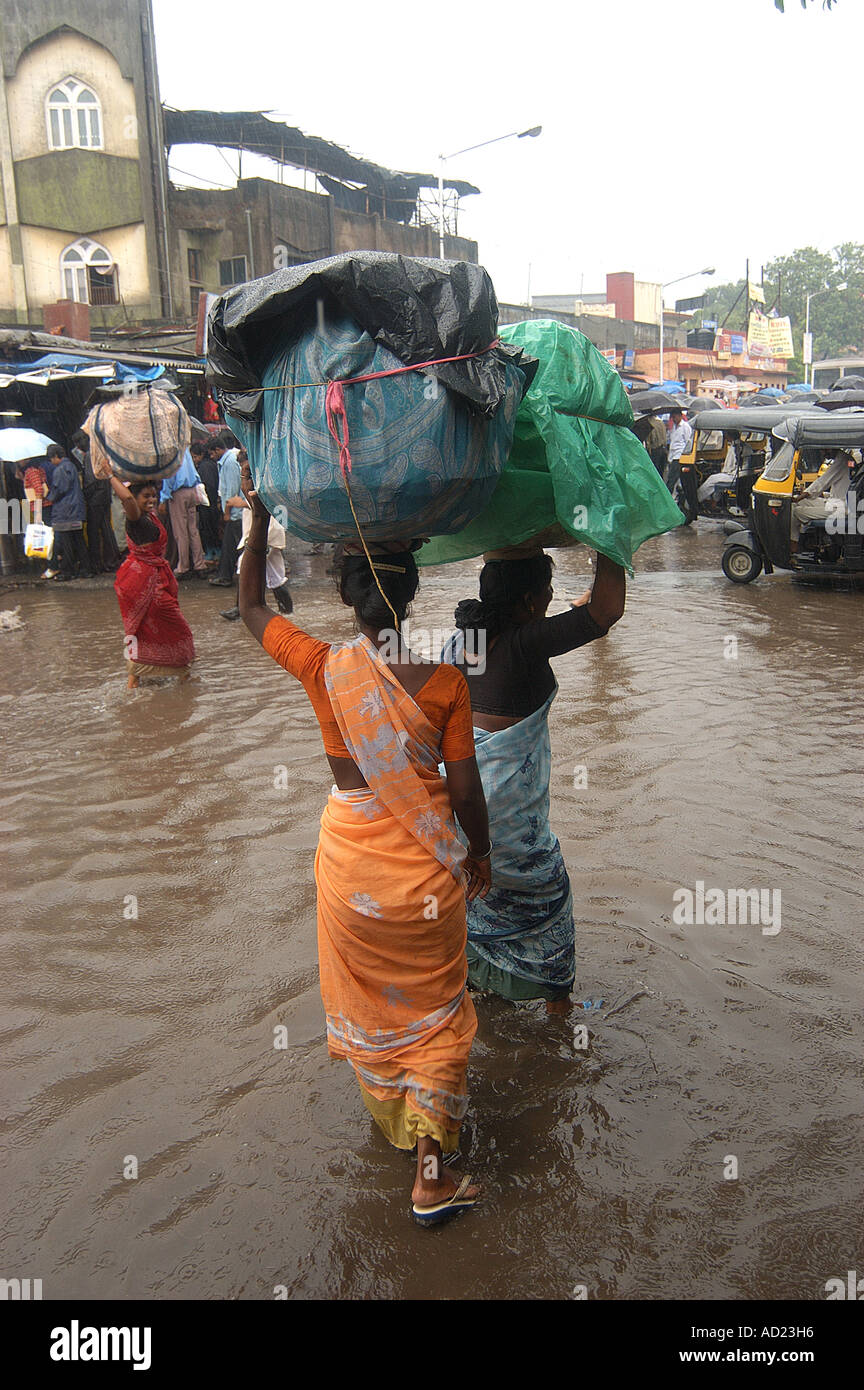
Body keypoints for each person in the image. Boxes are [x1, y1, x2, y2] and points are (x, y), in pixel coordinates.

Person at [238, 462, 491, 1225]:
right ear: (411, 596)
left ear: (345, 597)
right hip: (425, 878)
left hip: (349, 869)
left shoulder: (322, 667)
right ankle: (432, 1172)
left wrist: (256, 520)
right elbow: (467, 793)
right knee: (441, 1015)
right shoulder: (445, 681)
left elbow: (249, 604)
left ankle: (396, 1122)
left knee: (380, 1008)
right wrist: (479, 857)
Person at [444, 547, 626, 1014]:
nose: (550, 599)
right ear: (528, 603)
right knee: (548, 897)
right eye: (545, 592)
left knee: (476, 901)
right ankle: (557, 1013)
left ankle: (481, 995)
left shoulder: (461, 643)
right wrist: (606, 536)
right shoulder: (525, 644)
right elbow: (605, 611)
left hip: (457, 821)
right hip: (506, 833)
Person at [109, 475, 196, 689]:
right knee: (175, 628)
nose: (152, 499)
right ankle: (176, 675)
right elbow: (127, 500)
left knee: (148, 629)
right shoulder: (135, 518)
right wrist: (109, 475)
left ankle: (140, 678)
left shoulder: (150, 516)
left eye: (154, 495)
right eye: (146, 496)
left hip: (149, 578)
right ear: (136, 499)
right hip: (142, 582)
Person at [220, 501, 293, 621]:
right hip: (265, 535)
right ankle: (287, 612)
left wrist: (243, 503)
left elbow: (265, 504)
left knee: (247, 568)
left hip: (267, 536)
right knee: (275, 578)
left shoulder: (267, 492)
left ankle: (239, 609)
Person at [72, 430, 120, 574]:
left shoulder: (90, 456)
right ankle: (112, 560)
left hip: (96, 498)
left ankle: (97, 563)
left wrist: (85, 494)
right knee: (106, 529)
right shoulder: (100, 452)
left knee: (93, 531)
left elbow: (90, 481)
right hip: (104, 495)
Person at [159, 446, 209, 578]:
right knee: (193, 530)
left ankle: (183, 566)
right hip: (192, 490)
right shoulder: (185, 449)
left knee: (181, 532)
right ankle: (199, 564)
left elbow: (168, 477)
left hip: (178, 493)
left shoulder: (170, 451)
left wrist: (164, 497)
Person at [45, 443, 90, 581]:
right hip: (76, 511)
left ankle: (68, 572)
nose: (51, 462)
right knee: (79, 541)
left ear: (55, 456)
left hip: (65, 512)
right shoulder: (71, 466)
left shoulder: (60, 470)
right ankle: (86, 570)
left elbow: (59, 489)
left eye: (51, 459)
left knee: (67, 542)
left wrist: (49, 496)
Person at [209, 432, 244, 587]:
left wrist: (227, 512)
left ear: (218, 449)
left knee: (237, 546)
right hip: (237, 512)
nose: (211, 457)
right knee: (230, 545)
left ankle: (229, 577)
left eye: (211, 453)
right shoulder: (231, 458)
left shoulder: (229, 462)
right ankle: (225, 576)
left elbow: (231, 490)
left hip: (236, 512)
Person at [192, 439, 221, 558]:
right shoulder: (210, 464)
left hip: (208, 503)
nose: (194, 460)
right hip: (212, 502)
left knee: (209, 529)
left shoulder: (205, 466)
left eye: (195, 457)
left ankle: (212, 552)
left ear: (201, 455)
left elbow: (209, 485)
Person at [664, 409, 693, 495]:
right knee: (675, 478)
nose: (673, 419)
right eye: (672, 417)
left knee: (671, 479)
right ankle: (678, 494)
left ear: (680, 416)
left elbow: (688, 441)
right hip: (672, 456)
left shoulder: (685, 427)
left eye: (675, 417)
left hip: (679, 456)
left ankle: (668, 496)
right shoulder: (674, 427)